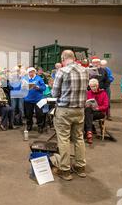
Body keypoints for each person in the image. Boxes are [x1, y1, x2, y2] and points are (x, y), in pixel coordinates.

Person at [52, 50, 89, 181]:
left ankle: (65, 170)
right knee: (79, 138)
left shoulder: (61, 71)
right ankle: (80, 167)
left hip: (65, 110)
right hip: (80, 110)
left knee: (63, 139)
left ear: (63, 58)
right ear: (73, 58)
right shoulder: (85, 71)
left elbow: (54, 93)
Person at [84, 78, 109, 144]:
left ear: (98, 86)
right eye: (92, 86)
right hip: (90, 112)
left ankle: (88, 132)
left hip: (100, 113)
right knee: (88, 110)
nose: (93, 88)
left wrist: (98, 108)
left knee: (86, 116)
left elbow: (106, 106)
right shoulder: (88, 93)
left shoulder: (103, 93)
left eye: (95, 86)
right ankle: (89, 133)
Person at [23, 67, 46, 133]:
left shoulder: (39, 78)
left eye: (32, 72)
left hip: (38, 99)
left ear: (35, 72)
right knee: (28, 114)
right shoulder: (25, 79)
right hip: (28, 99)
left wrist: (38, 87)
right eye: (30, 72)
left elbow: (43, 87)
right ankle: (29, 125)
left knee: (39, 113)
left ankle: (40, 126)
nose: (31, 73)